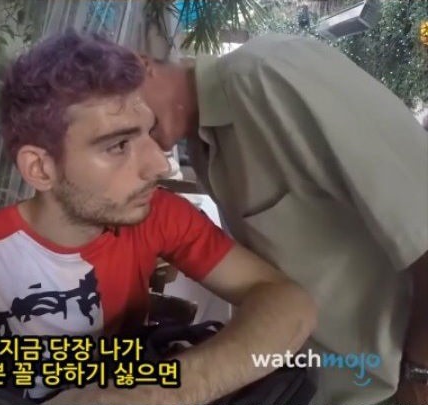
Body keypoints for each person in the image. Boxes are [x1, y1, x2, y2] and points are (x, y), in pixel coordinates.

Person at [0, 31, 317, 405]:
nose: (160, 165)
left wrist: (166, 391)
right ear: (40, 169)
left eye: (148, 132)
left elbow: (286, 300)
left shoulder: (155, 214)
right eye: (118, 145)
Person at [138, 33, 428, 405]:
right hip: (316, 385)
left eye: (125, 118)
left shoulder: (267, 74)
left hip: (392, 386)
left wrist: (419, 375)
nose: (148, 155)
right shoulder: (203, 143)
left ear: (142, 65)